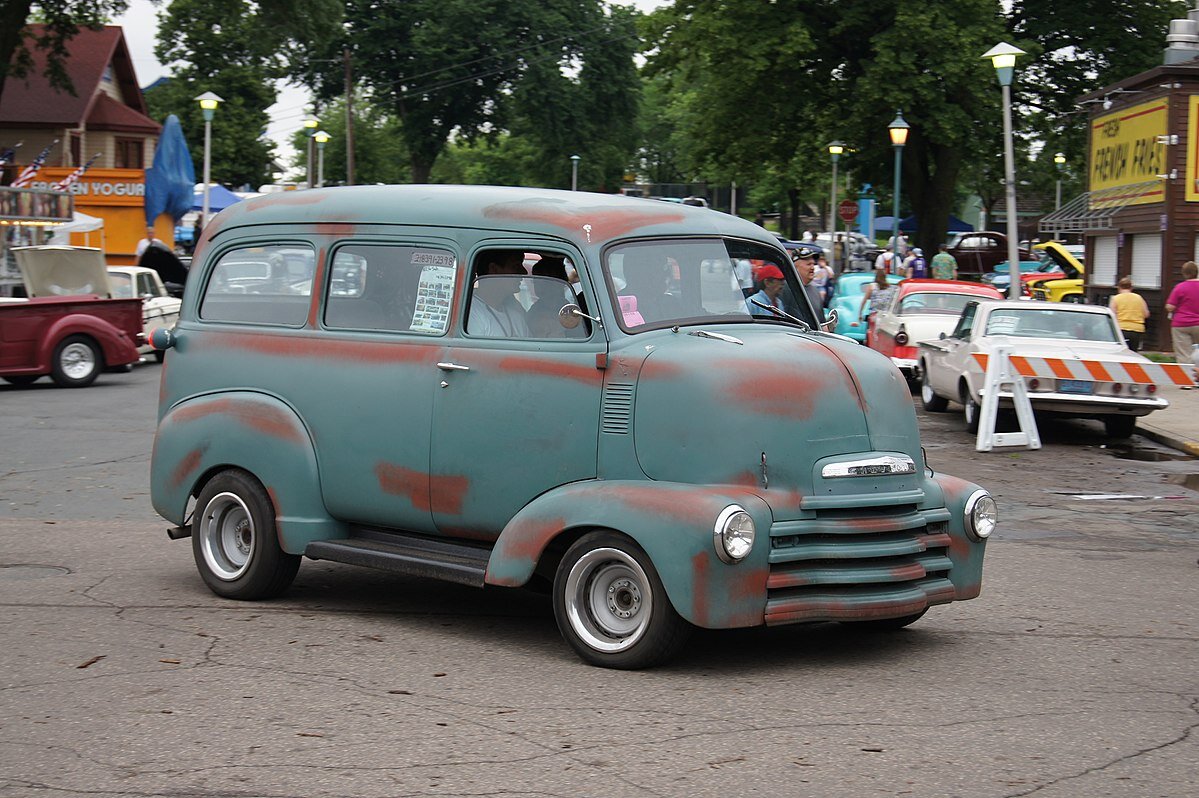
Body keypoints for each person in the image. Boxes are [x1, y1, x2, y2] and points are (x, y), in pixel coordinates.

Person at [468, 251, 530, 337]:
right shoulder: (471, 314)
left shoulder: (516, 310)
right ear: (494, 269)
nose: (524, 272)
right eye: (515, 266)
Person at [1165, 260, 1199, 387]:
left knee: (1184, 353)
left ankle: (1187, 381)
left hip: (1182, 324)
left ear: (1184, 273)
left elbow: (1170, 307)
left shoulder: (1180, 287)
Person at [1109, 277, 1150, 352]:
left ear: (1119, 287)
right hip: (1137, 329)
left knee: (1121, 352)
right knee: (1133, 352)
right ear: (1131, 287)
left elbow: (1112, 315)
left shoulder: (1116, 298)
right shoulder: (1139, 298)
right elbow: (1146, 314)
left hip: (1121, 328)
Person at [790, 244, 826, 323]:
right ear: (795, 267)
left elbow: (822, 323)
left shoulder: (815, 292)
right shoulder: (786, 289)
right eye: (808, 264)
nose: (813, 268)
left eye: (813, 264)